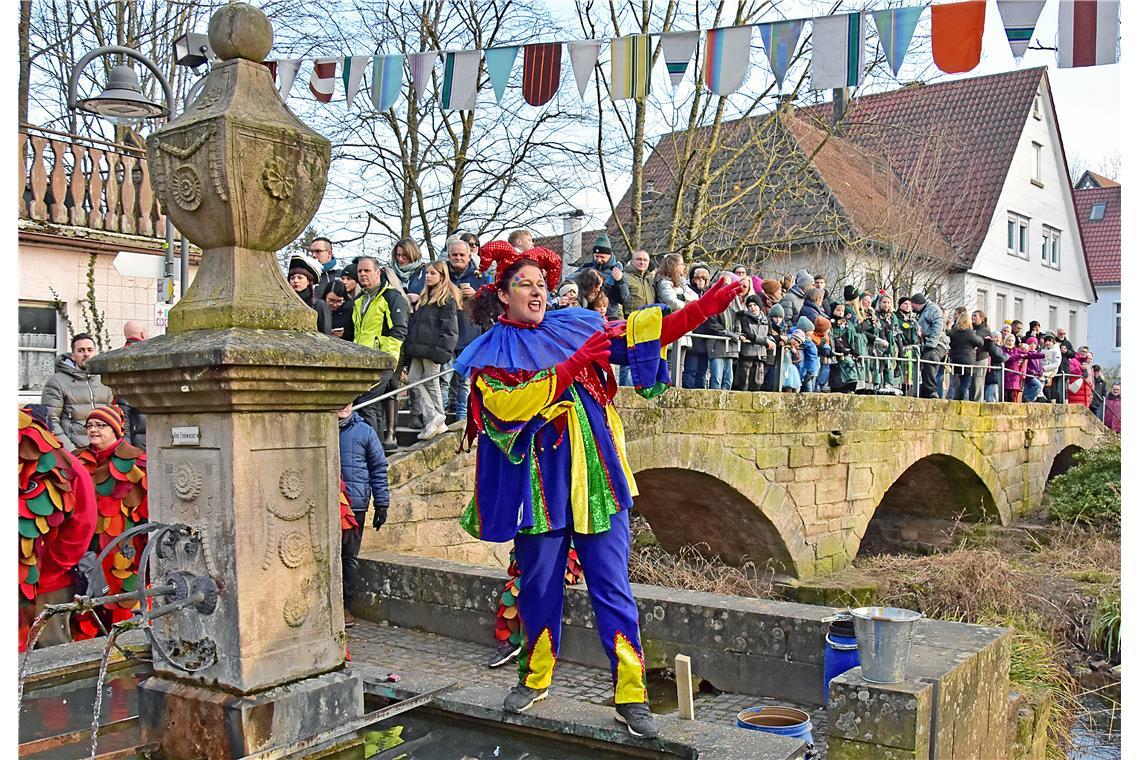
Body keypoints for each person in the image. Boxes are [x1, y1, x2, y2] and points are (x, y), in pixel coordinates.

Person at [452, 239, 742, 738]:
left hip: (597, 483)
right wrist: (569, 366)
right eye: (525, 284)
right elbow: (508, 408)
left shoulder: (576, 325)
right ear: (501, 294)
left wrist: (705, 306)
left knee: (613, 589)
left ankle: (631, 695)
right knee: (540, 588)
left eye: (542, 285)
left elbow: (645, 334)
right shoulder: (491, 352)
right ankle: (536, 676)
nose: (538, 292)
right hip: (539, 493)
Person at [18, 407, 97, 651]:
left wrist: (54, 566)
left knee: (50, 652)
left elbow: (83, 523)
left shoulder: (66, 465)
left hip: (49, 581)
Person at [72, 406, 147, 638]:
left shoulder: (137, 461)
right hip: (86, 545)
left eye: (100, 425)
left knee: (124, 600)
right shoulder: (76, 460)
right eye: (90, 426)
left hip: (124, 548)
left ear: (116, 430)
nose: (93, 430)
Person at [336, 402, 389, 628]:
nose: (343, 406)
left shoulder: (365, 431)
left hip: (354, 505)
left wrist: (382, 503)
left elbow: (378, 468)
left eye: (348, 401)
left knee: (348, 558)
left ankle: (345, 606)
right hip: (325, 503)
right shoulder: (319, 427)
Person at [352, 256, 410, 451]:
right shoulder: (359, 300)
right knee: (369, 405)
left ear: (378, 273)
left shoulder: (391, 297)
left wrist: (390, 360)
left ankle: (373, 451)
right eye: (360, 271)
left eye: (367, 271)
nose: (362, 274)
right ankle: (374, 450)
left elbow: (398, 330)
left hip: (382, 361)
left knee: (366, 402)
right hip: (362, 361)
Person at [403, 261, 460, 440]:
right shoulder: (424, 299)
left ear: (442, 276)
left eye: (432, 273)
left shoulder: (446, 300)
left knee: (432, 383)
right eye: (427, 273)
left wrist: (441, 351)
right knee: (413, 380)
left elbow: (450, 330)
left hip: (432, 350)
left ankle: (436, 418)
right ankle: (435, 417)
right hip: (418, 348)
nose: (428, 276)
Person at [41, 333, 113, 451]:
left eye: (90, 350)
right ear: (73, 355)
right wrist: (70, 451)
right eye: (81, 350)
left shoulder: (104, 380)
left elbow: (112, 416)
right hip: (75, 452)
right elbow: (50, 420)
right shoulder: (57, 382)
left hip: (103, 451)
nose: (86, 354)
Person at [444, 237, 489, 424]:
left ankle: (463, 420)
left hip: (470, 335)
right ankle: (442, 418)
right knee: (444, 380)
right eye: (454, 255)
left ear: (469, 256)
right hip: (445, 334)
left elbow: (490, 306)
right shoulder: (442, 273)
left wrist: (476, 296)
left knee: (465, 382)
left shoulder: (480, 277)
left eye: (462, 254)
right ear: (448, 255)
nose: (458, 258)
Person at [577, 233, 629, 320]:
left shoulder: (617, 270)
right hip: (589, 315)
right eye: (596, 256)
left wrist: (620, 281)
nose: (599, 259)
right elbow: (570, 281)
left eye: (602, 257)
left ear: (609, 255)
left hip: (610, 316)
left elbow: (625, 299)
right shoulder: (585, 268)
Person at [116, 321, 148, 447]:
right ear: (143, 334)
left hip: (134, 434)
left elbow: (122, 410)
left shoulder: (118, 358)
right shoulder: (149, 356)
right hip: (144, 437)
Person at [288, 254, 333, 335]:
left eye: (300, 277)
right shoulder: (287, 303)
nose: (295, 281)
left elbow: (326, 334)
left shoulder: (319, 305)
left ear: (309, 281)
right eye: (292, 278)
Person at [911, 293, 945, 399]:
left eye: (913, 305)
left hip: (936, 344)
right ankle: (925, 391)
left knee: (929, 360)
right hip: (926, 344)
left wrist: (931, 344)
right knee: (924, 365)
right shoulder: (921, 312)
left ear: (917, 304)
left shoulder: (933, 310)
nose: (911, 308)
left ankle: (931, 391)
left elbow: (937, 327)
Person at [683, 264, 712, 388]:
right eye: (698, 278)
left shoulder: (709, 294)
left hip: (705, 338)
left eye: (704, 278)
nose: (701, 281)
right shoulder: (688, 292)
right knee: (691, 369)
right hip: (694, 335)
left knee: (702, 371)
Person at [734, 295, 770, 392]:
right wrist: (766, 341)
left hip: (760, 356)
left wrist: (773, 340)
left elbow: (771, 334)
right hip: (747, 355)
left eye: (755, 305)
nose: (752, 307)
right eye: (750, 306)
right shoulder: (745, 319)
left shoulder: (766, 320)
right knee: (744, 383)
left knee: (758, 383)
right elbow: (749, 335)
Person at [948, 311, 984, 401]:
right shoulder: (969, 333)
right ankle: (962, 399)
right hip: (967, 360)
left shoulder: (953, 332)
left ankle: (953, 398)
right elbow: (980, 342)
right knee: (966, 382)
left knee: (955, 382)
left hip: (955, 359)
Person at [391, 239, 428, 309]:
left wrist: (419, 298)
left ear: (412, 254)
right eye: (398, 255)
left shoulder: (426, 272)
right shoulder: (390, 274)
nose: (400, 259)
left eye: (404, 255)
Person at [1040, 334, 1062, 403]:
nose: (1047, 343)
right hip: (1041, 370)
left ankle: (1045, 399)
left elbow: (1056, 364)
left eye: (1049, 341)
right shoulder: (1042, 350)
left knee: (1047, 388)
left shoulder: (1056, 351)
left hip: (1050, 371)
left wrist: (1044, 369)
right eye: (1046, 341)